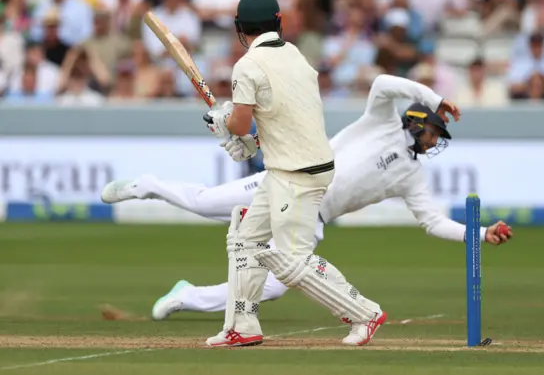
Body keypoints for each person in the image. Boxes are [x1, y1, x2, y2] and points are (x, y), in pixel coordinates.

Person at [101, 75, 513, 332]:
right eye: (436, 132)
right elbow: (383, 83)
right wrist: (435, 96)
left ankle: (188, 295)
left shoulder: (412, 174)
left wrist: (480, 234)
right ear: (421, 121)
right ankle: (147, 184)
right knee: (206, 203)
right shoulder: (380, 120)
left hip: (312, 217)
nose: (438, 142)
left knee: (277, 286)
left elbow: (433, 222)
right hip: (287, 181)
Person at [209, 0, 376, 347]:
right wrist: (249, 141)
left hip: (297, 173)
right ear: (279, 22)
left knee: (291, 261)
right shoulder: (295, 54)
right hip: (293, 166)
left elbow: (240, 123)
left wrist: (225, 123)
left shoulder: (247, 65)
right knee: (245, 239)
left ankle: (365, 313)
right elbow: (282, 116)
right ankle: (244, 324)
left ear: (240, 28)